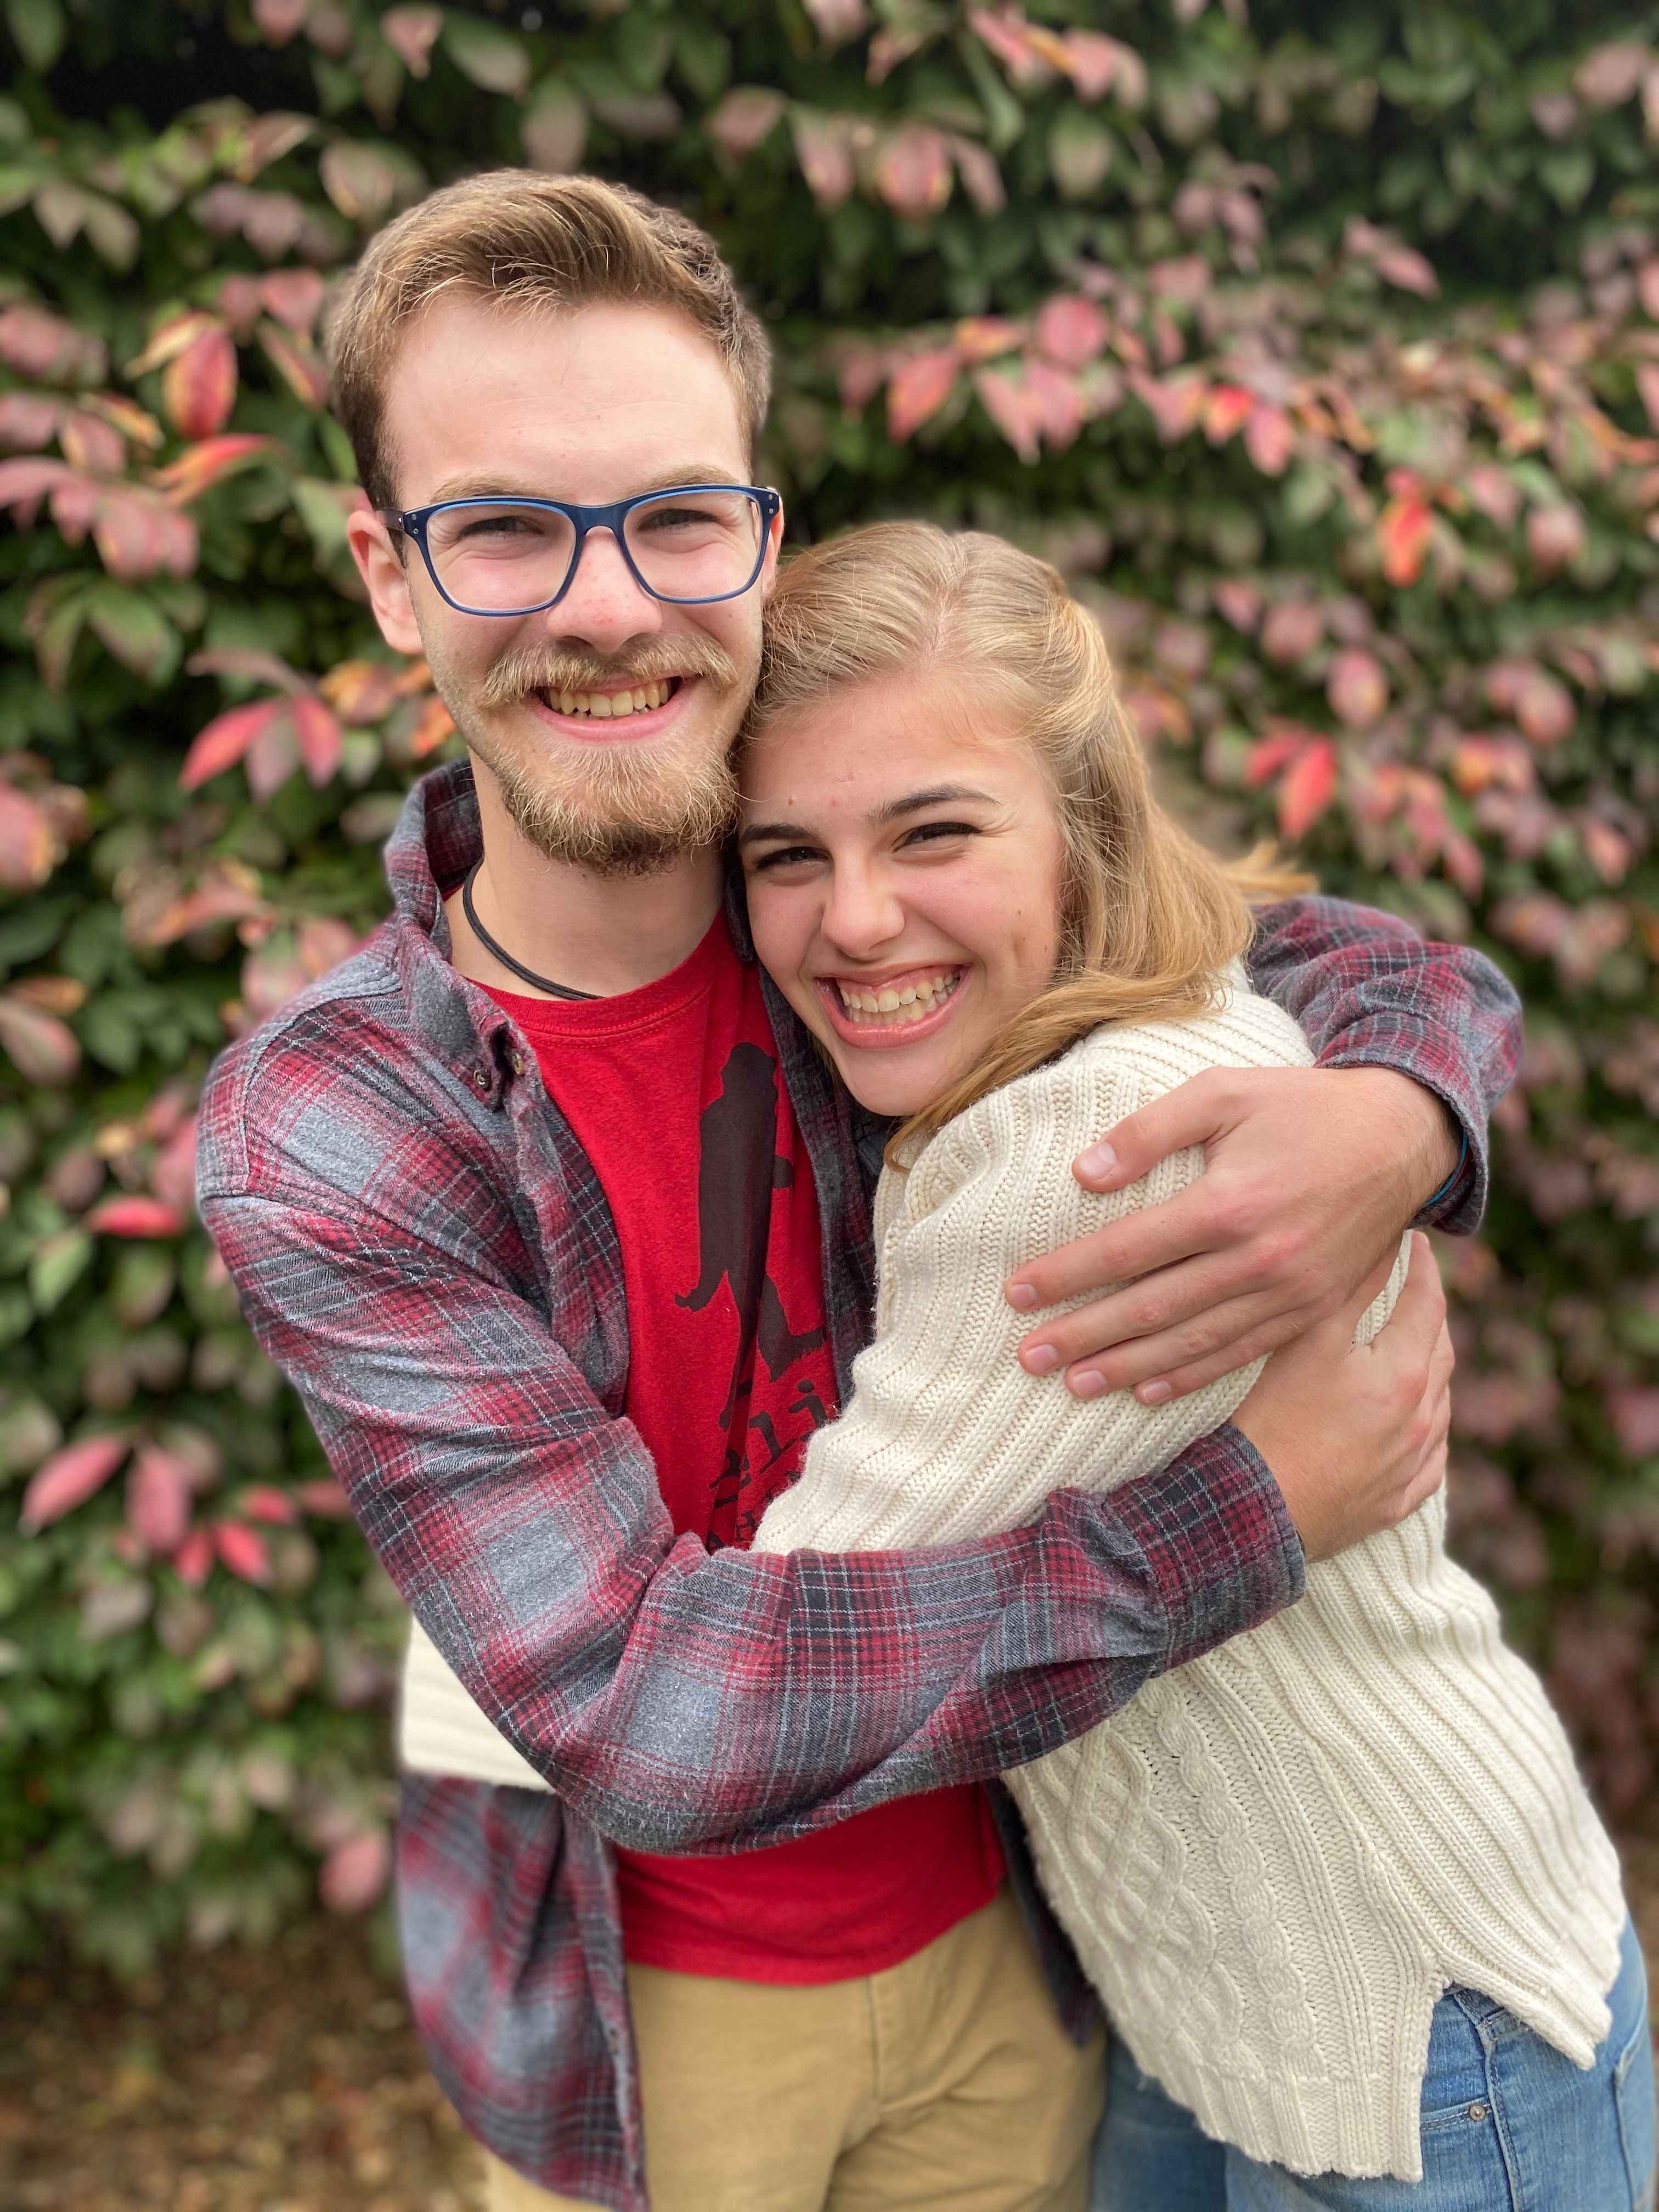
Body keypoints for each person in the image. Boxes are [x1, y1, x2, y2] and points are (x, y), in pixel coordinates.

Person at [194, 170, 1522, 2212]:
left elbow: (1337, 953)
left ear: (759, 535)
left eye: (672, 514)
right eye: (506, 529)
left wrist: (1409, 1124)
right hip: (656, 2030)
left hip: (1032, 1943)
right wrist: (1249, 1510)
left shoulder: (855, 902)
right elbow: (645, 1710)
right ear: (391, 574)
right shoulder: (339, 1128)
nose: (609, 603)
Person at [721, 520, 1654, 2210]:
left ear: (1080, 834)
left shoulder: (1082, 1135)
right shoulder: (1093, 1041)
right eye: (786, 855)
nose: (855, 921)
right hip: (1219, 1997)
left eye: (934, 832)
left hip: (1413, 2023)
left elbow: (782, 1671)